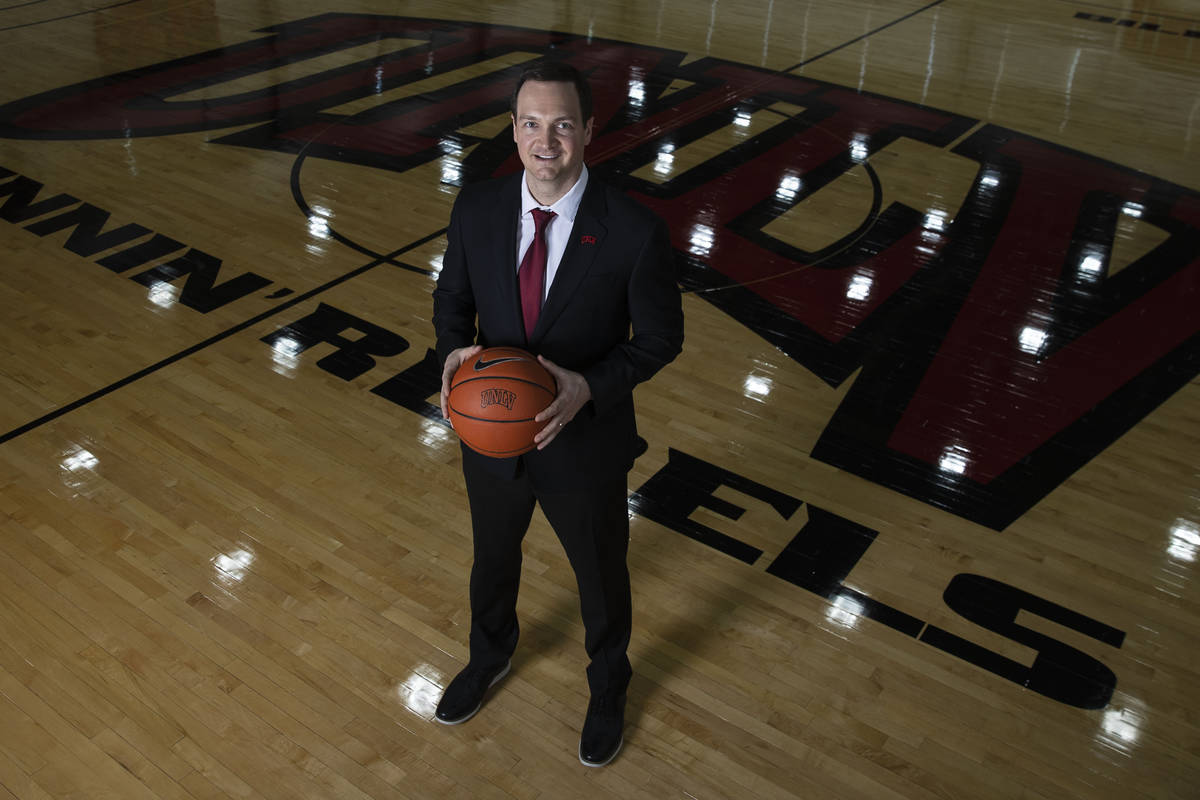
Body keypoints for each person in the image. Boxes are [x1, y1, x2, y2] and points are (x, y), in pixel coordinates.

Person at [431, 61, 684, 767]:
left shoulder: (634, 231)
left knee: (600, 576)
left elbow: (663, 340)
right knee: (492, 560)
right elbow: (452, 300)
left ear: (588, 132)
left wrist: (590, 387)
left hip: (585, 444)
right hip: (491, 433)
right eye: (532, 123)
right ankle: (489, 655)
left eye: (563, 124)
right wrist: (453, 356)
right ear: (514, 130)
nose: (547, 141)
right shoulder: (476, 209)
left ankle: (608, 686)